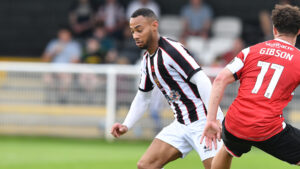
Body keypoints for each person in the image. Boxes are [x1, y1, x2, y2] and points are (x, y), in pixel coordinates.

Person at [111, 8, 224, 169]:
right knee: (146, 165)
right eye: (132, 31)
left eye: (139, 30)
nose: (135, 35)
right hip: (181, 124)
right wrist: (126, 124)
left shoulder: (172, 50)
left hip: (203, 122)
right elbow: (143, 97)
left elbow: (202, 80)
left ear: (154, 25)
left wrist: (212, 119)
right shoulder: (146, 61)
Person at [200, 4, 300, 169]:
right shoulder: (298, 59)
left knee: (227, 149)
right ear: (298, 31)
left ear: (274, 29)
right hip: (267, 128)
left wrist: (210, 120)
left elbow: (219, 79)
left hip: (235, 123)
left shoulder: (250, 51)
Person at [42, 27, 81, 103]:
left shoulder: (74, 45)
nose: (62, 36)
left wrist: (66, 54)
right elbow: (44, 59)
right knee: (47, 78)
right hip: (53, 70)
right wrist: (54, 52)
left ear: (69, 35)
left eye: (64, 34)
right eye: (61, 34)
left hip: (67, 71)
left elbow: (76, 61)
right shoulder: (53, 43)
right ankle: (51, 97)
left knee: (66, 78)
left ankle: (62, 98)